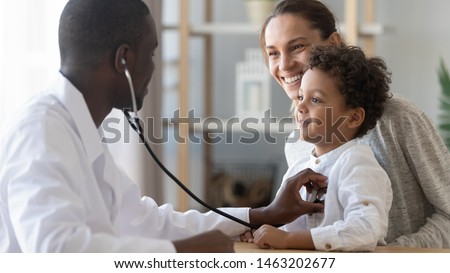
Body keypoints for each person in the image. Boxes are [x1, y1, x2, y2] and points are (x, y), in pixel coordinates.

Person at [0, 0, 328, 253]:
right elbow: (55, 251)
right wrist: (179, 252)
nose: (155, 68)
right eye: (152, 54)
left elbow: (150, 223)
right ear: (124, 60)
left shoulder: (80, 130)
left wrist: (265, 213)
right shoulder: (40, 131)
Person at [256, 0, 450, 248]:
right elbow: (310, 230)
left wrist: (391, 255)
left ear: (333, 43)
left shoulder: (398, 118)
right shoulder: (299, 142)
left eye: (297, 47)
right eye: (273, 52)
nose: (283, 65)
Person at [253, 45, 393, 251]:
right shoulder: (297, 170)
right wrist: (263, 232)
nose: (300, 107)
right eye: (301, 97)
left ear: (354, 117)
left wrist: (287, 240)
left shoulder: (358, 165)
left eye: (315, 100)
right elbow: (285, 227)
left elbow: (365, 229)